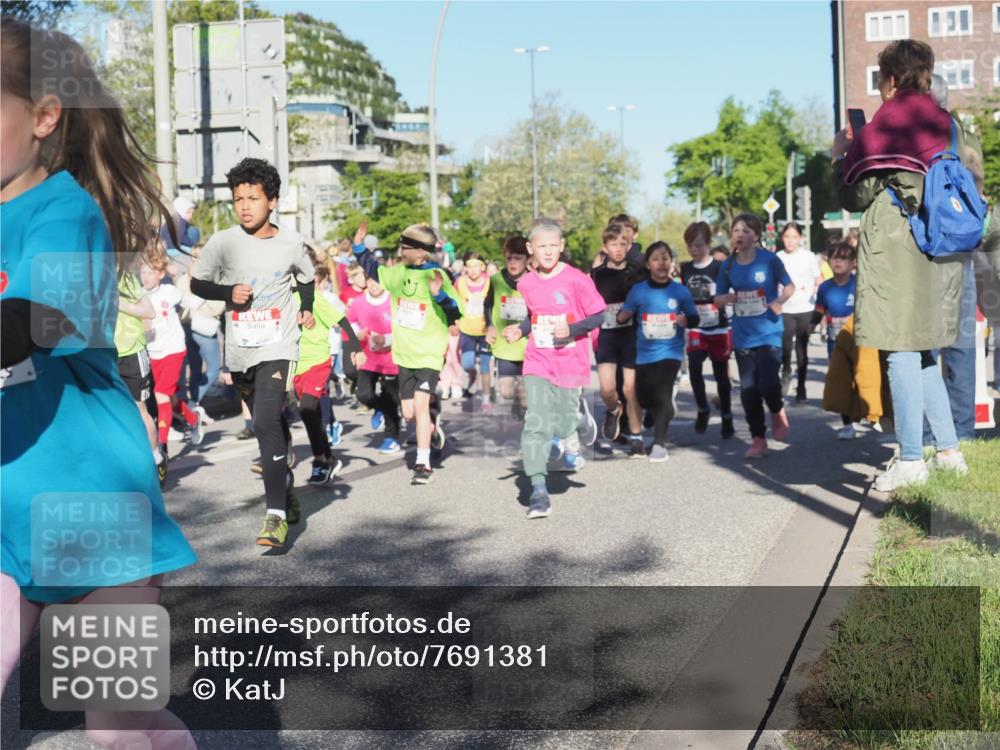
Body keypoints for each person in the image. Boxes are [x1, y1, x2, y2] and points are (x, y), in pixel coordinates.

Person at [1, 17, 197, 749]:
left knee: (121, 732)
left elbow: (37, 318)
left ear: (45, 116)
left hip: (93, 514)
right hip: (5, 517)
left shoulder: (63, 212)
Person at [833, 39, 970, 491]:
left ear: (889, 78)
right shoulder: (950, 122)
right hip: (944, 244)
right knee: (924, 348)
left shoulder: (885, 124)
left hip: (900, 246)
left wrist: (841, 155)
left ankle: (911, 458)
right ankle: (948, 450)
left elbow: (853, 194)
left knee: (899, 348)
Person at [190, 157, 315, 547]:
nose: (245, 206)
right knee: (267, 426)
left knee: (263, 421)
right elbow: (198, 284)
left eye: (253, 198)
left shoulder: (291, 242)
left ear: (272, 201)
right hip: (241, 349)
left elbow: (306, 279)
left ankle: (274, 516)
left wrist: (307, 307)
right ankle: (285, 486)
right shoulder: (223, 242)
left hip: (279, 344)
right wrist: (227, 293)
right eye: (238, 199)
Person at [503, 218, 606, 519]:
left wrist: (572, 330)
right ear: (530, 248)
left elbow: (598, 315)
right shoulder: (526, 282)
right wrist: (519, 331)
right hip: (538, 359)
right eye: (541, 246)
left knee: (562, 426)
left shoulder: (576, 279)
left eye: (553, 246)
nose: (547, 252)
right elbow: (534, 317)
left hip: (570, 360)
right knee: (536, 421)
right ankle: (538, 491)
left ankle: (578, 418)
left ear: (561, 246)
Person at [352, 222, 462, 485]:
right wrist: (359, 247)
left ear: (421, 253)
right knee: (410, 413)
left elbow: (456, 311)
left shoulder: (438, 275)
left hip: (429, 353)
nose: (401, 250)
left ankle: (422, 464)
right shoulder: (398, 273)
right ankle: (432, 428)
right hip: (404, 355)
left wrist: (439, 297)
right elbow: (373, 270)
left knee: (421, 406)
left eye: (406, 247)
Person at [715, 214, 794, 459]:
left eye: (746, 231)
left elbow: (789, 286)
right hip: (743, 335)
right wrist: (724, 299)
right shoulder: (728, 265)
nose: (740, 235)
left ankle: (777, 408)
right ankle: (758, 438)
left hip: (769, 331)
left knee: (769, 383)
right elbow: (717, 298)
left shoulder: (770, 260)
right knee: (748, 390)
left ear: (757, 236)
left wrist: (780, 300)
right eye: (736, 230)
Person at [619, 242, 699, 461]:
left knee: (662, 394)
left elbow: (694, 317)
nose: (661, 263)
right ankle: (661, 411)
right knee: (644, 397)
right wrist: (621, 316)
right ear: (648, 264)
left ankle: (659, 444)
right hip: (644, 352)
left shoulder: (680, 291)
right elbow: (625, 312)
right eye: (656, 259)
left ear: (671, 263)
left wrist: (686, 319)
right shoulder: (639, 291)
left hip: (671, 352)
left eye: (665, 258)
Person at [295, 259, 359, 485]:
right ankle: (328, 457)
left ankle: (320, 461)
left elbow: (342, 319)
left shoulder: (315, 298)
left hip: (318, 361)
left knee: (307, 409)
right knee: (309, 414)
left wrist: (356, 348)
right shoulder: (282, 300)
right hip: (295, 366)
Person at [140, 249, 204, 465]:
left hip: (174, 350)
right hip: (152, 352)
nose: (145, 276)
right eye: (143, 272)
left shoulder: (169, 291)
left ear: (160, 274)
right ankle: (193, 419)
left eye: (150, 272)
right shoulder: (138, 294)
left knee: (160, 396)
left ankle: (162, 447)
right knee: (168, 398)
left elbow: (192, 302)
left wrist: (210, 290)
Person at [591, 222, 642, 454]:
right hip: (607, 336)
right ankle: (613, 410)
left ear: (629, 245)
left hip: (630, 335)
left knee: (630, 388)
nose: (619, 249)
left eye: (623, 244)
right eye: (614, 244)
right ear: (605, 247)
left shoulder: (636, 273)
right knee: (606, 388)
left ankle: (636, 436)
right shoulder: (597, 275)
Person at [680, 221, 734, 438]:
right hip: (696, 328)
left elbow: (728, 292)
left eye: (700, 245)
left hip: (718, 327)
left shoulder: (719, 267)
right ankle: (702, 407)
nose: (696, 249)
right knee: (694, 367)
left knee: (721, 375)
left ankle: (727, 416)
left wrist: (725, 299)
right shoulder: (685, 269)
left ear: (708, 244)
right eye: (691, 245)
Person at [114, 264, 164, 482]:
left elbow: (149, 311)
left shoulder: (124, 279)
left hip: (131, 351)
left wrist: (119, 304)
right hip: (103, 353)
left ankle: (156, 459)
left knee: (139, 408)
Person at [348, 265, 403, 454]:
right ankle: (377, 408)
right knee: (363, 394)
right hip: (368, 358)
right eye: (370, 280)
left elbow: (406, 330)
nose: (373, 284)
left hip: (392, 359)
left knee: (392, 399)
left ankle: (391, 437)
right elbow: (350, 324)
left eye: (377, 280)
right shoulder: (358, 302)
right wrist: (358, 334)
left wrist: (387, 339)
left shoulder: (396, 301)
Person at [811, 241, 859, 439]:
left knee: (862, 380)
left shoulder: (859, 283)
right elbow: (819, 310)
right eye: (834, 257)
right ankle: (847, 425)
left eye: (844, 258)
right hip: (835, 344)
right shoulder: (824, 288)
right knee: (842, 383)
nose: (838, 261)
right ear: (828, 262)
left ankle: (871, 414)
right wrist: (810, 325)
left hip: (860, 343)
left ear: (853, 262)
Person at [484, 235, 531, 421]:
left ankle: (524, 407)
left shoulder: (534, 280)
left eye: (518, 258)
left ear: (527, 259)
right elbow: (486, 305)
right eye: (509, 258)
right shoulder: (496, 280)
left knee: (527, 399)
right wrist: (489, 326)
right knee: (506, 392)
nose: (512, 262)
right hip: (505, 345)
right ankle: (516, 401)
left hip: (528, 344)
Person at [777, 222, 822, 402]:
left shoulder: (808, 256)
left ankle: (801, 386)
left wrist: (816, 290)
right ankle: (786, 372)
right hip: (786, 308)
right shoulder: (777, 257)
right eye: (787, 236)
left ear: (801, 238)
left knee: (801, 347)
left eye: (794, 237)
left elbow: (819, 278)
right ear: (782, 238)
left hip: (806, 307)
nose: (790, 240)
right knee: (786, 346)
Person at [455, 251, 494, 404]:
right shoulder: (460, 282)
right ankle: (472, 375)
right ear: (465, 268)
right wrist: (455, 321)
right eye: (469, 266)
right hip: (467, 330)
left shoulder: (491, 283)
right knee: (467, 363)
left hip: (486, 331)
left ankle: (486, 398)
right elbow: (453, 302)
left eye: (476, 266)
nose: (473, 270)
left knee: (485, 365)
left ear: (483, 267)